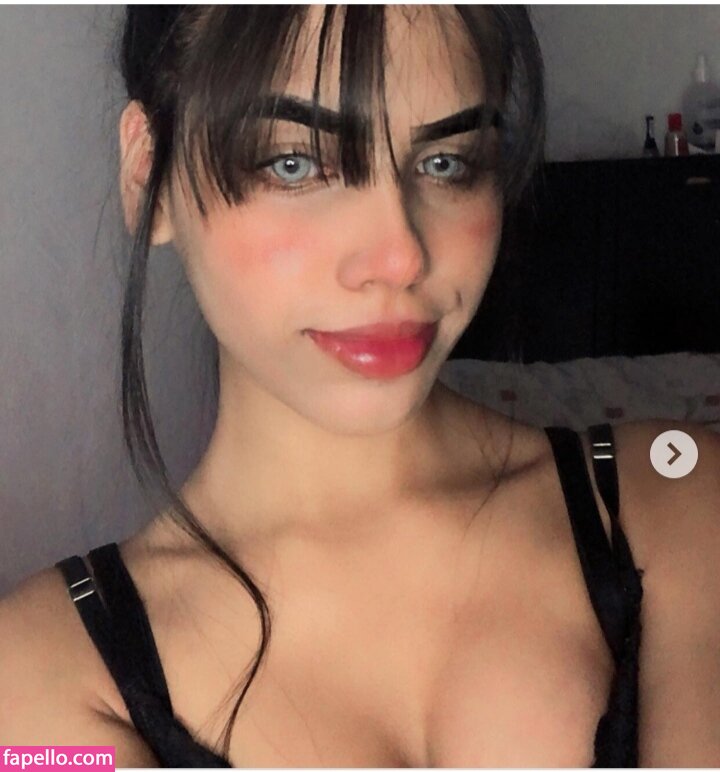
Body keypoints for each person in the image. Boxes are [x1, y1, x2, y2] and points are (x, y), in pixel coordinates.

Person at [1, 5, 719, 768]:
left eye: (446, 163)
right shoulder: (44, 674)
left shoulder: (678, 502)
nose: (401, 256)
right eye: (294, 163)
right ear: (148, 173)